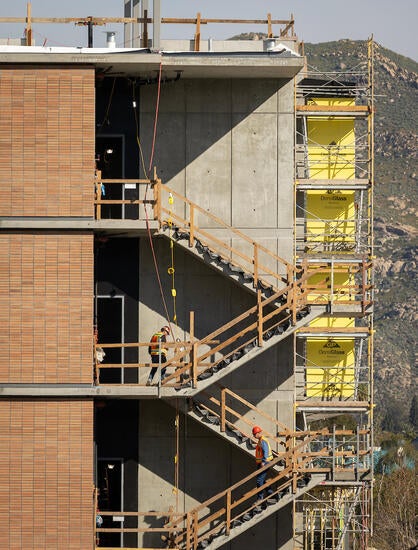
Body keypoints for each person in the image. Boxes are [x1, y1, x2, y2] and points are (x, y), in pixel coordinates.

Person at [252, 425, 275, 504]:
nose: (254, 436)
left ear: (258, 433)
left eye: (255, 434)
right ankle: (270, 492)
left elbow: (266, 451)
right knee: (261, 480)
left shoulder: (263, 440)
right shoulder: (260, 440)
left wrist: (263, 461)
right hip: (262, 463)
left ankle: (260, 498)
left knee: (259, 480)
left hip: (265, 462)